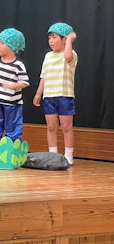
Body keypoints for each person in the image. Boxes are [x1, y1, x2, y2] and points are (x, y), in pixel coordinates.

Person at [33, 23, 77, 163]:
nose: (51, 41)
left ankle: (68, 156)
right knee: (51, 126)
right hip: (49, 97)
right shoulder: (48, 56)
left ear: (64, 39)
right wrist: (39, 93)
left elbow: (68, 57)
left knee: (66, 126)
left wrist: (69, 40)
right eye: (49, 38)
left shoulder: (71, 54)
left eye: (54, 37)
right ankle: (53, 155)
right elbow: (43, 76)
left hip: (64, 96)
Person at [0, 28, 29, 141]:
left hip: (12, 103)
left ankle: (12, 147)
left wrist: (12, 86)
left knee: (12, 127)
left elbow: (24, 82)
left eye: (3, 44)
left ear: (12, 47)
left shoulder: (18, 65)